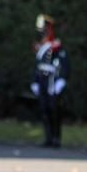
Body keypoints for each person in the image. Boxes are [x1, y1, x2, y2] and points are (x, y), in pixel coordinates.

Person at [30, 13, 69, 148]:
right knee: (44, 109)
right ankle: (48, 137)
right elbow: (37, 65)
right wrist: (34, 81)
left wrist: (61, 80)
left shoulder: (56, 46)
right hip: (42, 81)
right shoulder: (41, 46)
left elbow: (63, 64)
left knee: (54, 110)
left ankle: (56, 138)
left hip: (53, 81)